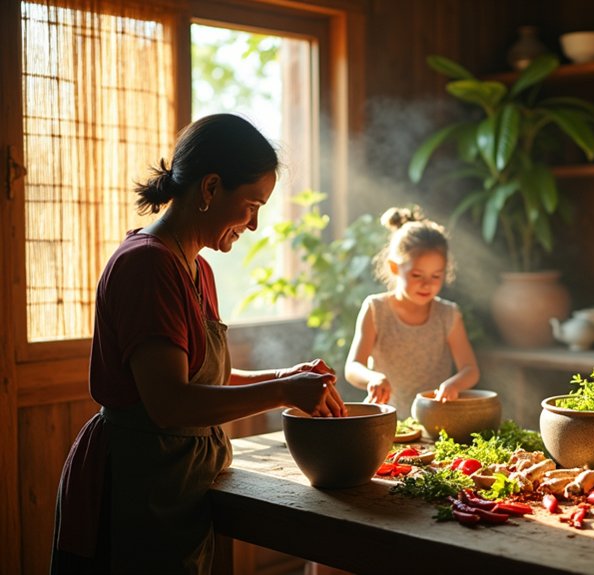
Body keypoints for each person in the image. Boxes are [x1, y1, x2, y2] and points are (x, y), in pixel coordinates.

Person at [51, 113, 346, 575]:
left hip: (175, 484)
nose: (253, 225)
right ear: (210, 189)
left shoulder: (195, 267)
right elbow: (170, 402)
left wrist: (283, 376)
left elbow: (201, 374)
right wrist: (283, 394)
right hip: (137, 486)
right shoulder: (147, 266)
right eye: (251, 205)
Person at [345, 206, 479, 418]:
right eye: (417, 275)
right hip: (384, 418)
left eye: (436, 276)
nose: (427, 284)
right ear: (395, 268)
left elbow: (470, 369)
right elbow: (353, 367)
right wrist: (373, 378)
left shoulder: (448, 314)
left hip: (434, 419)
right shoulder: (376, 309)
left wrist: (454, 385)